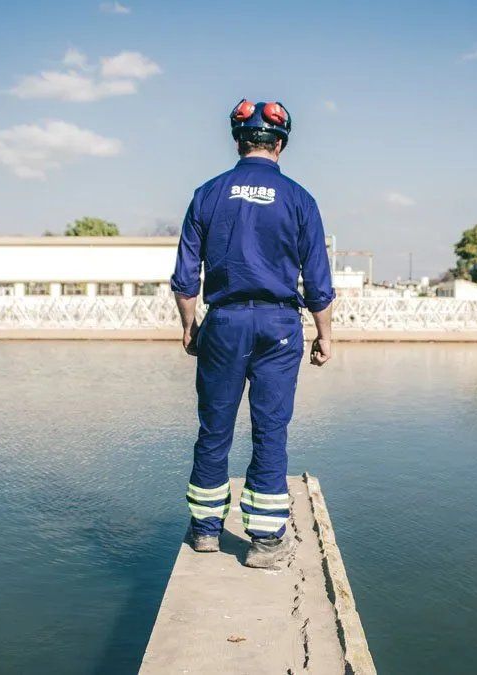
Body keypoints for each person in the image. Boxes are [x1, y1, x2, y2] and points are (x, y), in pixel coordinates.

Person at [170, 99, 335, 568]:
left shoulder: (207, 194)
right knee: (270, 430)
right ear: (280, 144)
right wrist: (325, 336)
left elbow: (185, 278)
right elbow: (318, 282)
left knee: (214, 428)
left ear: (239, 141)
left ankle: (205, 531)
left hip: (223, 323)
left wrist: (190, 325)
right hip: (280, 327)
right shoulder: (301, 199)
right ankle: (264, 542)